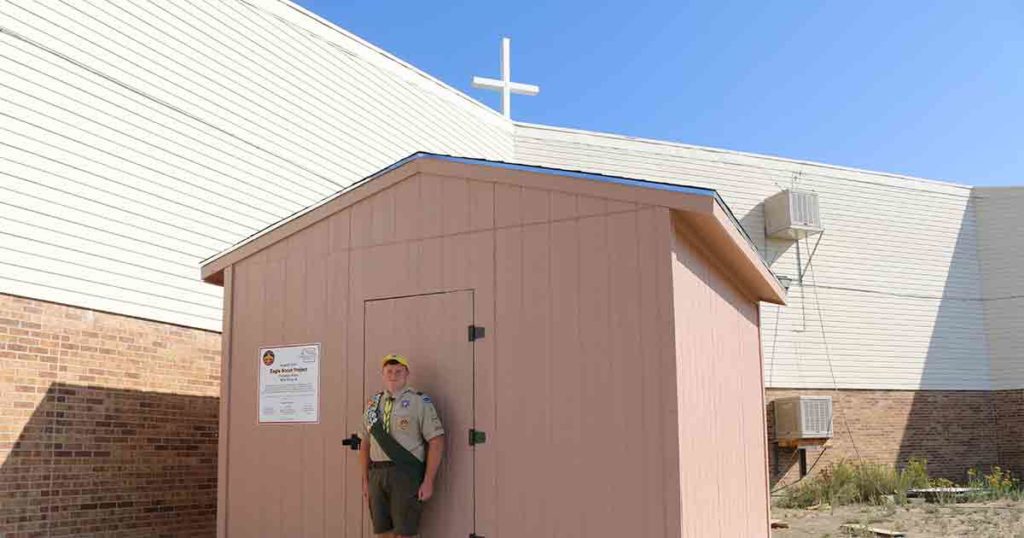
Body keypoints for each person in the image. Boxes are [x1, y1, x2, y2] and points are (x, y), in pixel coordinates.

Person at [360, 353, 445, 538]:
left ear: (407, 374)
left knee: (405, 534)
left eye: (399, 371)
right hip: (377, 474)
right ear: (383, 374)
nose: (393, 374)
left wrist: (429, 480)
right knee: (383, 532)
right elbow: (365, 443)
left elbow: (436, 441)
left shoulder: (419, 402)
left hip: (405, 474)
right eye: (389, 371)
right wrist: (366, 480)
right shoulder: (372, 405)